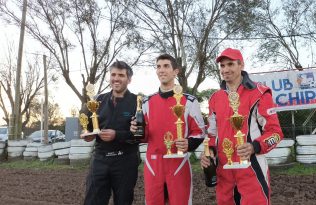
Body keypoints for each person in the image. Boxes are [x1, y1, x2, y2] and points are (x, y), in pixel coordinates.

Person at [200, 48, 284, 205]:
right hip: (224, 171)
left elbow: (276, 133)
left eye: (230, 64)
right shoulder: (215, 98)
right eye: (222, 66)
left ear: (241, 65)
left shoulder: (260, 93)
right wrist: (208, 152)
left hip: (252, 169)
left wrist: (255, 146)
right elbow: (212, 134)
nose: (225, 70)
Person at [131, 54, 205, 205]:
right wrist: (135, 131)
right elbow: (142, 137)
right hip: (153, 165)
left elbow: (199, 132)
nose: (161, 70)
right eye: (158, 66)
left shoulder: (189, 101)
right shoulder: (146, 102)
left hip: (179, 164)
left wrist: (189, 144)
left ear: (175, 71)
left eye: (166, 66)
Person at [82, 60, 140, 205]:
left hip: (125, 161)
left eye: (121, 75)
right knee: (92, 201)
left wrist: (117, 134)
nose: (116, 78)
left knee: (123, 201)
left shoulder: (137, 102)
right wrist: (88, 135)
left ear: (129, 79)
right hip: (100, 160)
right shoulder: (97, 101)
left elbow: (140, 135)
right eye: (113, 74)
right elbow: (89, 128)